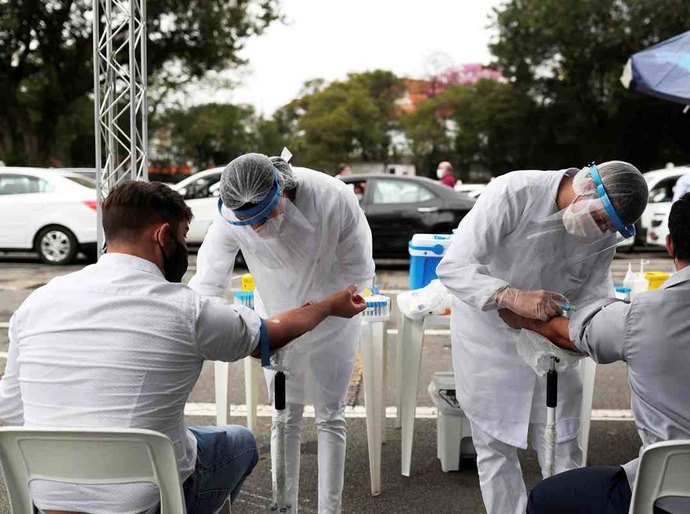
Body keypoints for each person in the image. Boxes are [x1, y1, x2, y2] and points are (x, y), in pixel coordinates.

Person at [0, 181, 366, 514]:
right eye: (183, 236)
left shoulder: (36, 303)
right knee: (237, 441)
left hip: (46, 500)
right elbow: (272, 333)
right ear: (163, 236)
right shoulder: (187, 309)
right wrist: (329, 306)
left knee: (186, 436)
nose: (186, 249)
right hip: (144, 501)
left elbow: (11, 411)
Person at [436, 161, 649, 514]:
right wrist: (510, 296)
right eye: (599, 219)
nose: (599, 231)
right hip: (489, 338)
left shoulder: (604, 238)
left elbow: (595, 292)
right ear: (585, 184)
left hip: (552, 344)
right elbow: (454, 265)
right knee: (494, 449)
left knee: (564, 443)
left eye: (609, 227)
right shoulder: (513, 192)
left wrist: (594, 325)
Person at [189, 152, 374, 513]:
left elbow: (359, 270)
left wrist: (322, 309)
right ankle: (283, 504)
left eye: (260, 220)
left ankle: (329, 509)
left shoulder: (332, 198)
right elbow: (208, 282)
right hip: (274, 317)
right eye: (247, 224)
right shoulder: (230, 215)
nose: (254, 230)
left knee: (330, 415)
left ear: (281, 194)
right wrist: (199, 325)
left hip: (334, 315)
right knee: (283, 414)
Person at [499, 193, 690, 514]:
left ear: (669, 245)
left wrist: (518, 313)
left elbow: (570, 334)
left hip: (668, 498)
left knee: (547, 497)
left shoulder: (642, 315)